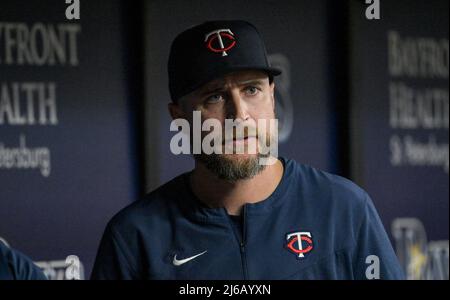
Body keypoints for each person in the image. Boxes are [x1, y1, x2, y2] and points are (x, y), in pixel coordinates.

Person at [91, 20, 404, 280]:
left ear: (271, 96)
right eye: (214, 97)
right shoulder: (135, 237)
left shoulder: (344, 210)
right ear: (179, 117)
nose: (239, 115)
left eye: (251, 90)